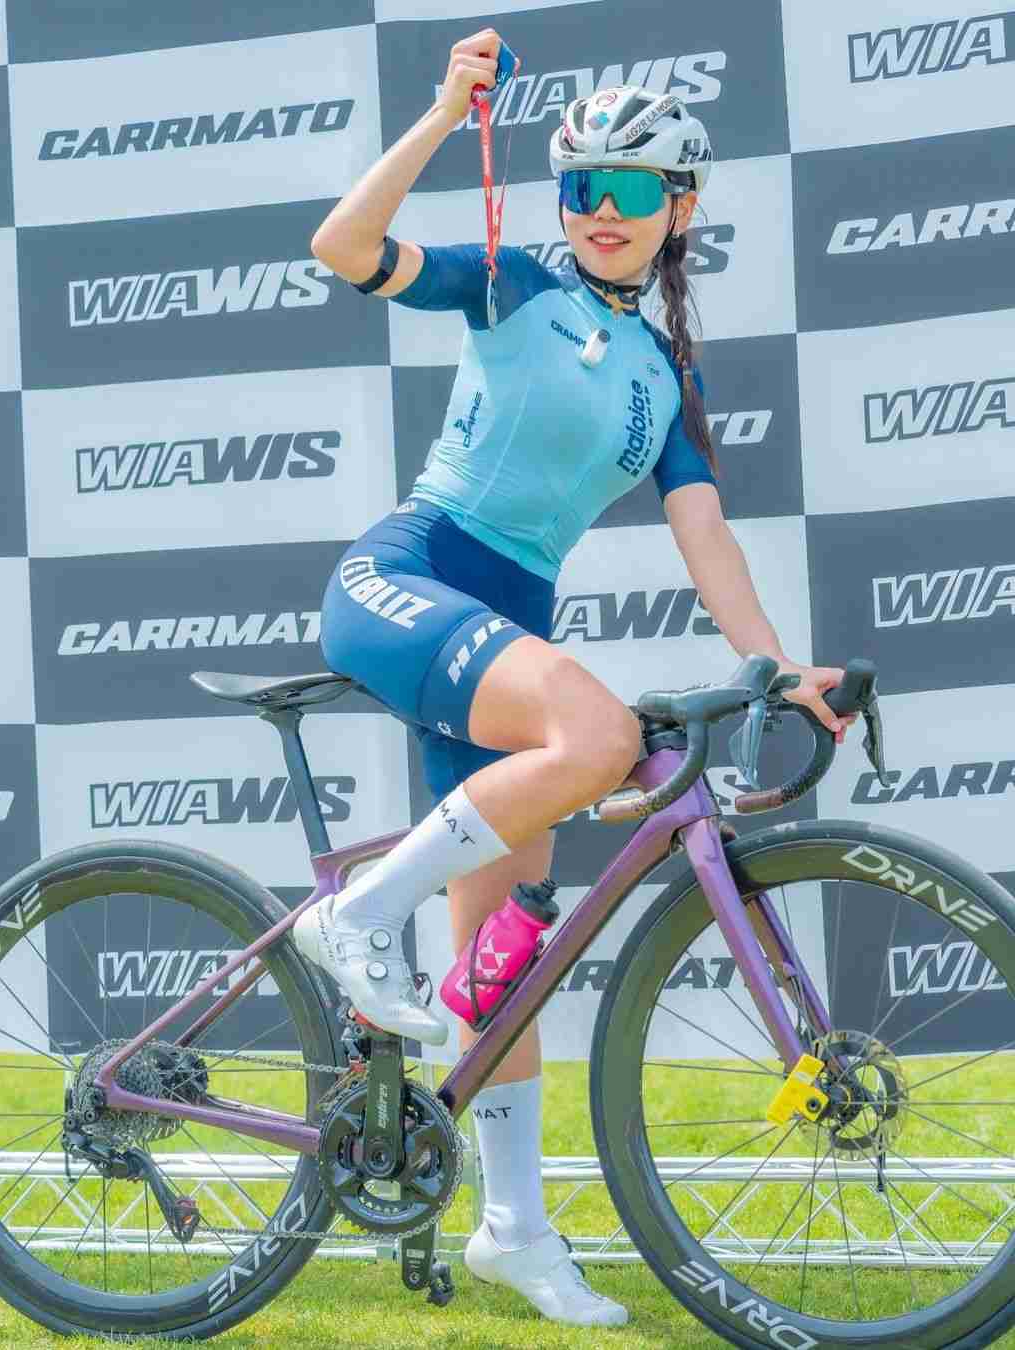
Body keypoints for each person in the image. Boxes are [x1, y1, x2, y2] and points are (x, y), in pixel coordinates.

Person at [296, 28, 855, 1327]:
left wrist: (772, 664)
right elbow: (341, 246)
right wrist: (443, 113)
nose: (602, 214)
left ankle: (513, 1226)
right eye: (582, 188)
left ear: (681, 208)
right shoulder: (508, 279)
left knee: (503, 963)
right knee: (596, 730)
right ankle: (356, 918)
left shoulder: (667, 375)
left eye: (632, 191)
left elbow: (704, 533)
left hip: (500, 639)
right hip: (408, 578)